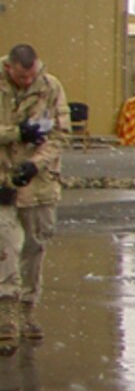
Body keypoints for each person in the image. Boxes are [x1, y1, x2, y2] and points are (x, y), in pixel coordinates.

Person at [1, 44, 66, 349]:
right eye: (21, 77)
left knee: (35, 247)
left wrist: (34, 163)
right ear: (9, 67)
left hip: (38, 182)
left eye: (31, 76)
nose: (28, 82)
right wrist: (17, 133)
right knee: (6, 248)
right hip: (2, 180)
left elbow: (60, 133)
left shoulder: (50, 87)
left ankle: (28, 309)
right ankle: (6, 314)